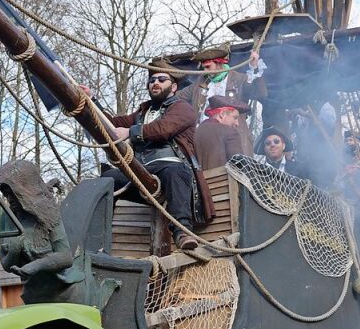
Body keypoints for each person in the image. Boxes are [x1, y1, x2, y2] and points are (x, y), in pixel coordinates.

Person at [106, 60, 201, 251]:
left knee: (175, 171)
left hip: (169, 168)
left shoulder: (184, 108)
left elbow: (163, 129)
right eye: (152, 80)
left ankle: (182, 231)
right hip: (140, 170)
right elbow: (109, 123)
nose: (155, 83)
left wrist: (130, 132)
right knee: (107, 178)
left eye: (161, 79)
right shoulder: (142, 113)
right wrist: (89, 101)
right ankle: (97, 239)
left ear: (173, 87)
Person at [179, 44, 267, 152]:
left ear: (219, 63)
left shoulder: (239, 79)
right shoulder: (201, 83)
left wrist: (255, 67)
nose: (205, 71)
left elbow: (260, 93)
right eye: (204, 68)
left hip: (234, 140)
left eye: (208, 67)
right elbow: (178, 97)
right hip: (205, 141)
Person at [195, 95, 248, 170]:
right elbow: (240, 166)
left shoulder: (196, 131)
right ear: (222, 114)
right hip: (222, 181)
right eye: (235, 117)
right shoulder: (230, 132)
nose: (237, 123)